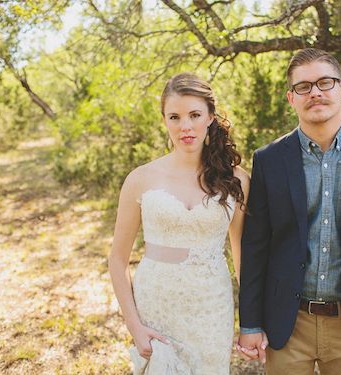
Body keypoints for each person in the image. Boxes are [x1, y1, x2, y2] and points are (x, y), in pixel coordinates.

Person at [236, 48, 341, 375]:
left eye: (325, 82)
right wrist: (251, 322)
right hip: (287, 322)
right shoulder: (269, 160)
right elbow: (255, 244)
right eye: (303, 86)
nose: (315, 92)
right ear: (291, 98)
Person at [108, 73, 249, 374]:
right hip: (156, 308)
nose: (185, 126)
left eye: (194, 115)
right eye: (175, 117)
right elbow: (118, 258)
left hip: (211, 308)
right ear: (164, 121)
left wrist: (251, 322)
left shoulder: (236, 180)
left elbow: (242, 258)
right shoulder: (140, 179)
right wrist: (134, 325)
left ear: (210, 117)